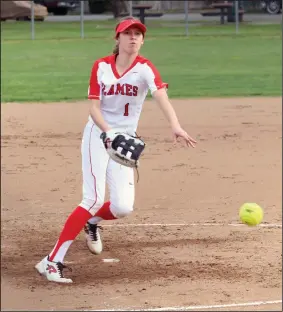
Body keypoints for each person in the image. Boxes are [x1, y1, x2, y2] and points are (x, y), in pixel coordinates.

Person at [35, 16, 197, 283]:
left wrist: (175, 126)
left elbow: (160, 95)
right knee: (93, 198)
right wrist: (108, 132)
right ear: (118, 38)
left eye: (138, 34)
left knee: (122, 207)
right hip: (98, 134)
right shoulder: (101, 67)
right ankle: (51, 261)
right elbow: (94, 107)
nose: (133, 37)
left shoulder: (145, 68)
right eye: (127, 33)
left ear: (143, 40)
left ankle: (92, 223)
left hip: (125, 140)